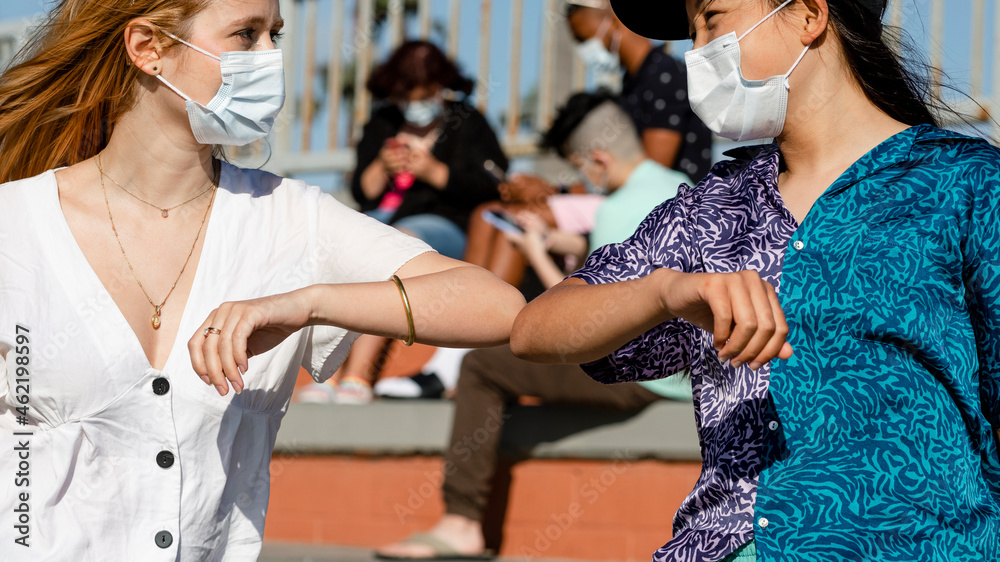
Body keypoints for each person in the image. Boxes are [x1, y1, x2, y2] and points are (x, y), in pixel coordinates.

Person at [0, 1, 525, 559]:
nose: (270, 58)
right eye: (246, 35)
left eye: (274, 34)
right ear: (148, 48)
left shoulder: (292, 217)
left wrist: (309, 303)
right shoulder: (15, 224)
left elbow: (496, 306)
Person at [512, 0, 1000, 561]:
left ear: (810, 15)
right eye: (691, 30)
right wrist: (663, 291)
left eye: (712, 19)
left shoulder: (964, 185)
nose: (696, 51)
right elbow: (535, 331)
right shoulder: (710, 210)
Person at [375, 92, 693, 560]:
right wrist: (560, 241)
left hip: (642, 376)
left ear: (598, 158)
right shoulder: (683, 186)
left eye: (582, 167)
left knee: (483, 368)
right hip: (686, 370)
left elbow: (589, 317)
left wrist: (539, 256)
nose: (585, 180)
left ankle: (461, 522)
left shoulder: (614, 211)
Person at [314, 40, 509, 404]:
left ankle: (358, 373)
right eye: (407, 96)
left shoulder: (467, 121)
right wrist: (382, 167)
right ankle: (323, 373)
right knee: (340, 251)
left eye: (424, 94)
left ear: (441, 87)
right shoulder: (383, 121)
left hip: (441, 228)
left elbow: (491, 184)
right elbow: (363, 189)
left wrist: (434, 171)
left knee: (393, 246)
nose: (414, 104)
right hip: (380, 221)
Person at [566, 0, 713, 181]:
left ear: (614, 21)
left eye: (584, 38)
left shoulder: (664, 76)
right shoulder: (632, 83)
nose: (584, 51)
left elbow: (651, 176)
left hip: (680, 205)